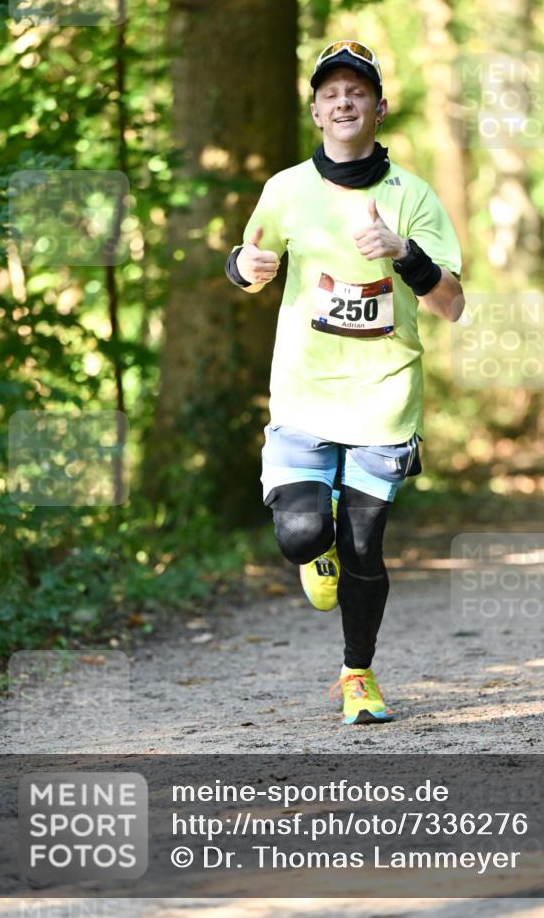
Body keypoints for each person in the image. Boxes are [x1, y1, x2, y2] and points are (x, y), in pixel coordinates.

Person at [225, 40, 464, 725]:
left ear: (378, 108)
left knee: (364, 547)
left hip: (384, 398)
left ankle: (357, 674)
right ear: (314, 111)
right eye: (329, 93)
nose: (343, 102)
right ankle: (315, 547)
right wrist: (243, 266)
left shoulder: (412, 196)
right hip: (303, 393)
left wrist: (404, 253)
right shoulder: (285, 189)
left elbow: (451, 304)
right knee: (301, 536)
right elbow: (247, 261)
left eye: (356, 92)